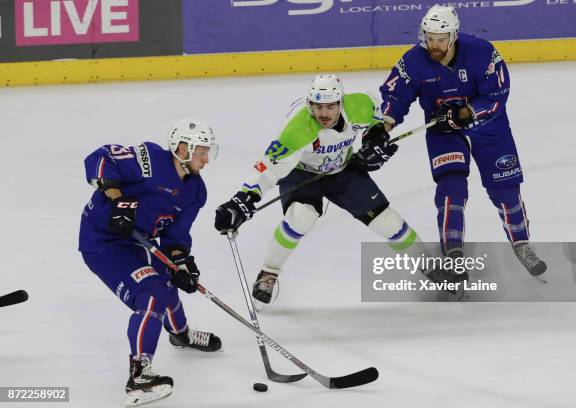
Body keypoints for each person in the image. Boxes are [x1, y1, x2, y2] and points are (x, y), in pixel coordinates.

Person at [214, 74, 440, 305]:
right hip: (302, 173)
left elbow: (376, 119)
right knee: (301, 217)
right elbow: (268, 168)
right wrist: (243, 198)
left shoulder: (359, 105)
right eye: (318, 106)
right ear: (309, 104)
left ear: (341, 103)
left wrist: (375, 138)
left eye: (330, 106)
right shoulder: (299, 128)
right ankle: (268, 272)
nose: (323, 113)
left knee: (388, 222)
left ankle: (430, 266)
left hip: (343, 169)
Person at [378, 5, 547, 277]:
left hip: (489, 128)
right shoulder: (413, 61)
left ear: (453, 36)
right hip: (444, 130)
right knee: (451, 187)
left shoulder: (482, 52)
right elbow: (395, 98)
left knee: (505, 190)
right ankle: (452, 252)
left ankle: (522, 244)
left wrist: (466, 113)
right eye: (429, 38)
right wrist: (383, 128)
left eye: (440, 39)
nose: (434, 44)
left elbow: (498, 95)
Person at [79, 120, 222, 406]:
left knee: (169, 283)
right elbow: (100, 157)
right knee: (151, 294)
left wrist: (181, 263)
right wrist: (118, 200)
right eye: (201, 152)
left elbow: (175, 234)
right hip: (104, 243)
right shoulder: (150, 160)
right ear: (183, 148)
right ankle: (140, 375)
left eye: (208, 152)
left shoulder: (195, 191)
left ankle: (181, 335)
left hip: (138, 240)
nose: (207, 159)